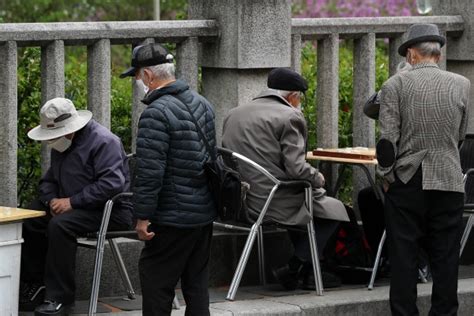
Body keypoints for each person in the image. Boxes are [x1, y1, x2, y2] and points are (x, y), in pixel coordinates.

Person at [222, 67, 350, 290]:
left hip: (237, 200)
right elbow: (296, 168)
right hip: (271, 199)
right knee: (335, 210)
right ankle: (296, 267)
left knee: (308, 205)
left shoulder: (235, 113)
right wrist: (319, 178)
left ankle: (302, 272)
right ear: (293, 97)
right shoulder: (289, 115)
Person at [377, 23, 470, 315]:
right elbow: (460, 136)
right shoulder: (462, 84)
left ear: (412, 55)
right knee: (446, 256)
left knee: (403, 255)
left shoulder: (394, 85)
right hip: (449, 177)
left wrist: (386, 178)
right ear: (438, 56)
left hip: (408, 178)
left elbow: (387, 143)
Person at [120, 43, 217, 315]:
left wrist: (142, 217)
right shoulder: (203, 104)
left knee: (156, 281)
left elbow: (150, 173)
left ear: (149, 76)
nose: (138, 82)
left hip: (172, 217)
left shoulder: (155, 114)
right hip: (202, 213)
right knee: (196, 285)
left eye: (138, 76)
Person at [20, 97, 133, 315]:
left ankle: (60, 299)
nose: (52, 140)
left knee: (60, 225)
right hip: (74, 205)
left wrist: (72, 202)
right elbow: (48, 180)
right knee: (31, 217)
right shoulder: (63, 142)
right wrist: (51, 200)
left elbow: (111, 184)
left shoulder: (103, 141)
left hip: (110, 210)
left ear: (71, 128)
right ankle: (35, 286)